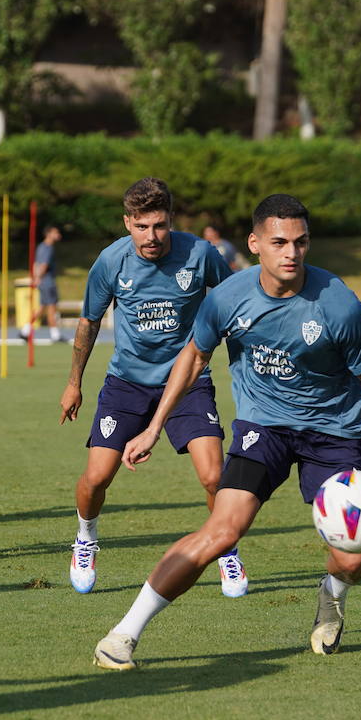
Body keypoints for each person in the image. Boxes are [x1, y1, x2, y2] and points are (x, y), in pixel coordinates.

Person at [93, 194, 361, 669]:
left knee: (352, 555)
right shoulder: (227, 297)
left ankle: (333, 594)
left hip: (334, 432)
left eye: (301, 242)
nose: (291, 253)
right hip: (263, 427)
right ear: (255, 243)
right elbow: (194, 357)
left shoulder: (339, 305)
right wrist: (154, 426)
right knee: (221, 531)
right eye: (279, 242)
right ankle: (123, 634)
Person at [60, 178, 236, 595]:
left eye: (158, 225)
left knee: (214, 476)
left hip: (189, 381)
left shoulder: (200, 253)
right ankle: (85, 538)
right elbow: (88, 322)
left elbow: (235, 299)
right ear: (127, 223)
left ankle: (226, 547)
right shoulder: (110, 262)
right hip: (127, 384)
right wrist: (73, 384)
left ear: (170, 221)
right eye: (141, 226)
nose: (151, 236)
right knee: (97, 476)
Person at [24, 225, 64, 342]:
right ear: (49, 234)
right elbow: (43, 265)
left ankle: (25, 331)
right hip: (47, 282)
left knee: (42, 308)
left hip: (43, 281)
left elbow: (35, 264)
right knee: (51, 308)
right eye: (56, 232)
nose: (58, 235)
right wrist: (38, 277)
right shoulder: (48, 248)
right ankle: (55, 335)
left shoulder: (41, 246)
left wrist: (35, 277)